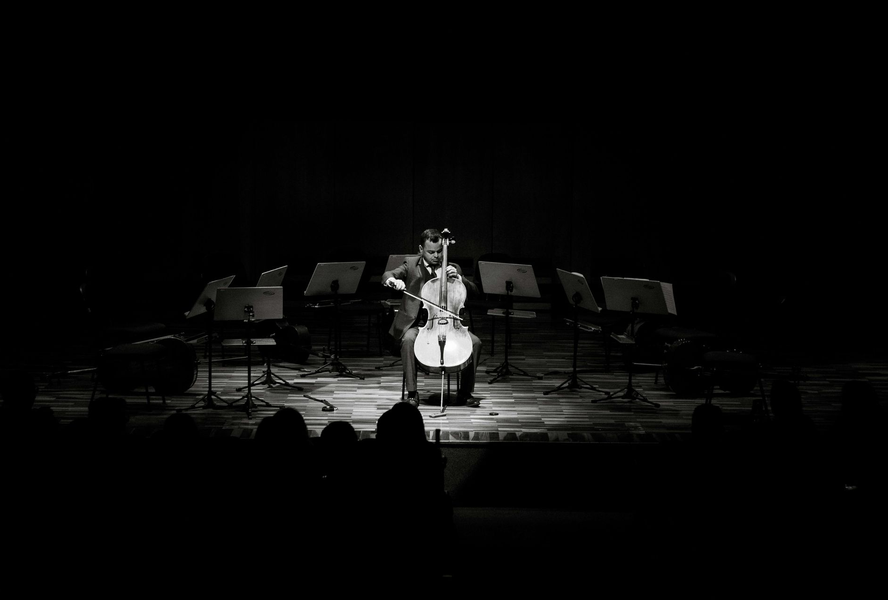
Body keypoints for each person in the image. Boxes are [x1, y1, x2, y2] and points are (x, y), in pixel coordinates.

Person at [382, 228, 482, 407]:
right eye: (431, 252)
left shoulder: (452, 268)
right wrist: (392, 281)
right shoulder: (411, 264)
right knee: (408, 341)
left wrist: (460, 278)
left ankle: (465, 393)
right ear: (421, 249)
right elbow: (388, 274)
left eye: (439, 252)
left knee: (474, 343)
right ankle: (412, 393)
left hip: (448, 323)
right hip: (418, 323)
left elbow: (474, 292)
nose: (436, 256)